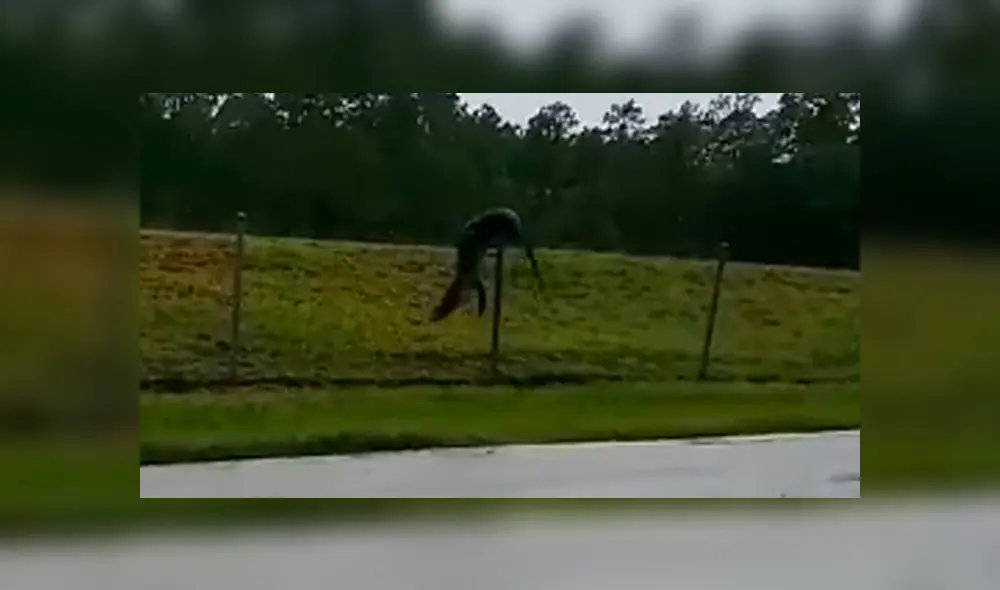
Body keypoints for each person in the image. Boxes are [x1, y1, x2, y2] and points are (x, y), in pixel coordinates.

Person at [430, 206, 543, 322]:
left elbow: (523, 245)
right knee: (466, 278)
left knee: (466, 278)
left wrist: (535, 268)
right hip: (479, 235)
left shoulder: (484, 230)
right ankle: (449, 307)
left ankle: (447, 309)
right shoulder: (483, 231)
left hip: (478, 235)